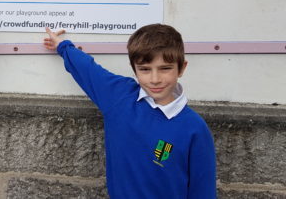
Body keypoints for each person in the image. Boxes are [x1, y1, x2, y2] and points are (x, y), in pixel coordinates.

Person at [43, 24, 216, 199]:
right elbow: (87, 69)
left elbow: (203, 189)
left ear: (181, 68)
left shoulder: (194, 128)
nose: (155, 79)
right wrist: (62, 45)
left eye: (165, 68)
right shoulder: (119, 96)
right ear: (134, 69)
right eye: (145, 69)